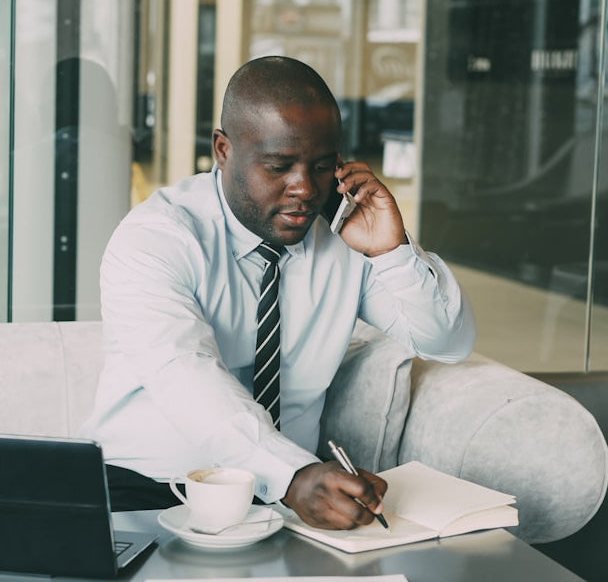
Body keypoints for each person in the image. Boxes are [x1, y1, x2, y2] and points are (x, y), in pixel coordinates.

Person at [81, 55, 476, 530]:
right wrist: (291, 474)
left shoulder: (346, 232)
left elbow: (448, 344)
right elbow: (184, 374)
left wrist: (391, 252)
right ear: (223, 150)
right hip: (145, 490)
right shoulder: (156, 238)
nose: (304, 189)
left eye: (322, 166)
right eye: (279, 166)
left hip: (282, 505)